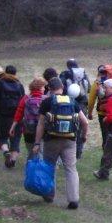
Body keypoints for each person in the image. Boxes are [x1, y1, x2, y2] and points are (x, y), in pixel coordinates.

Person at [32, 77, 90, 210]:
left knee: (50, 166)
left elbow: (40, 124)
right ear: (62, 88)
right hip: (70, 141)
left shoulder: (47, 102)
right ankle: (73, 199)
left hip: (51, 140)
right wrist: (84, 135)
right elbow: (85, 122)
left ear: (50, 89)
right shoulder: (72, 101)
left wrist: (36, 143)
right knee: (71, 169)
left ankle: (49, 194)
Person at [0, 65, 24, 169]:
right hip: (17, 117)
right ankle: (13, 161)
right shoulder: (19, 85)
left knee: (2, 137)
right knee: (16, 139)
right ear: (15, 73)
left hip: (3, 115)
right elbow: (23, 101)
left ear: (5, 72)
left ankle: (6, 151)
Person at [60, 59, 91, 159]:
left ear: (68, 65)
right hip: (82, 103)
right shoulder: (84, 74)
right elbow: (89, 88)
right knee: (81, 126)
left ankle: (67, 151)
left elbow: (61, 88)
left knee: (68, 125)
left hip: (69, 102)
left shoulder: (65, 74)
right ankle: (78, 152)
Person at [10, 78, 46, 159]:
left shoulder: (26, 98)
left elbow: (19, 113)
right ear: (40, 87)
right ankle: (39, 170)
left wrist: (13, 127)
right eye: (43, 87)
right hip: (42, 131)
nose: (44, 89)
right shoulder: (46, 99)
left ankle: (29, 168)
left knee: (30, 151)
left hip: (28, 130)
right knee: (41, 151)